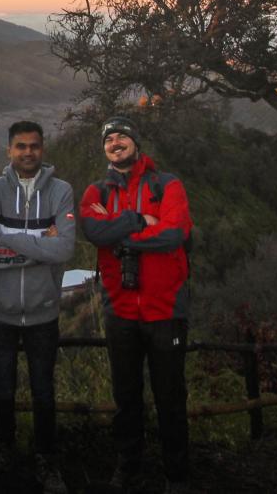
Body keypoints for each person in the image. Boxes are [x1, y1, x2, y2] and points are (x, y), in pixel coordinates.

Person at [79, 115, 192, 494]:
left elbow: (174, 233)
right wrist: (140, 220)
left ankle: (176, 475)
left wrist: (124, 239)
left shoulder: (167, 184)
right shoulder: (96, 192)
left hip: (165, 309)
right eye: (108, 138)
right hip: (120, 310)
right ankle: (128, 468)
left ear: (136, 143)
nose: (115, 142)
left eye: (121, 136)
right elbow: (94, 230)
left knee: (170, 396)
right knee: (126, 396)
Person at [0, 120, 75, 494]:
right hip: (0, 309)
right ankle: (2, 449)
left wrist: (10, 238)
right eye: (20, 146)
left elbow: (64, 248)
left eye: (34, 146)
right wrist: (38, 245)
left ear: (42, 149)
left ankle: (46, 459)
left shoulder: (61, 191)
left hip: (43, 311)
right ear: (9, 151)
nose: (27, 152)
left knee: (43, 390)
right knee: (2, 386)